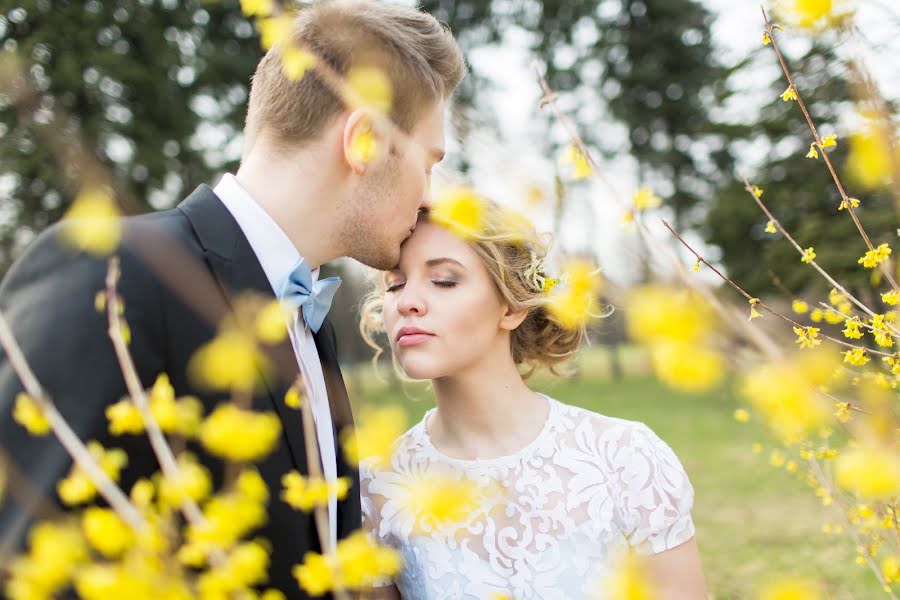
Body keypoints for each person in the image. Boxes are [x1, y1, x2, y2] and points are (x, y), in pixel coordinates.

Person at [0, 1, 465, 595]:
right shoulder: (111, 272)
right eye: (429, 163)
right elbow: (31, 568)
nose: (428, 198)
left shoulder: (310, 321)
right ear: (365, 142)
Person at [358, 204, 708, 599]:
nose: (407, 302)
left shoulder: (625, 458)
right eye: (395, 284)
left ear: (511, 306)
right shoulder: (375, 487)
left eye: (443, 280)